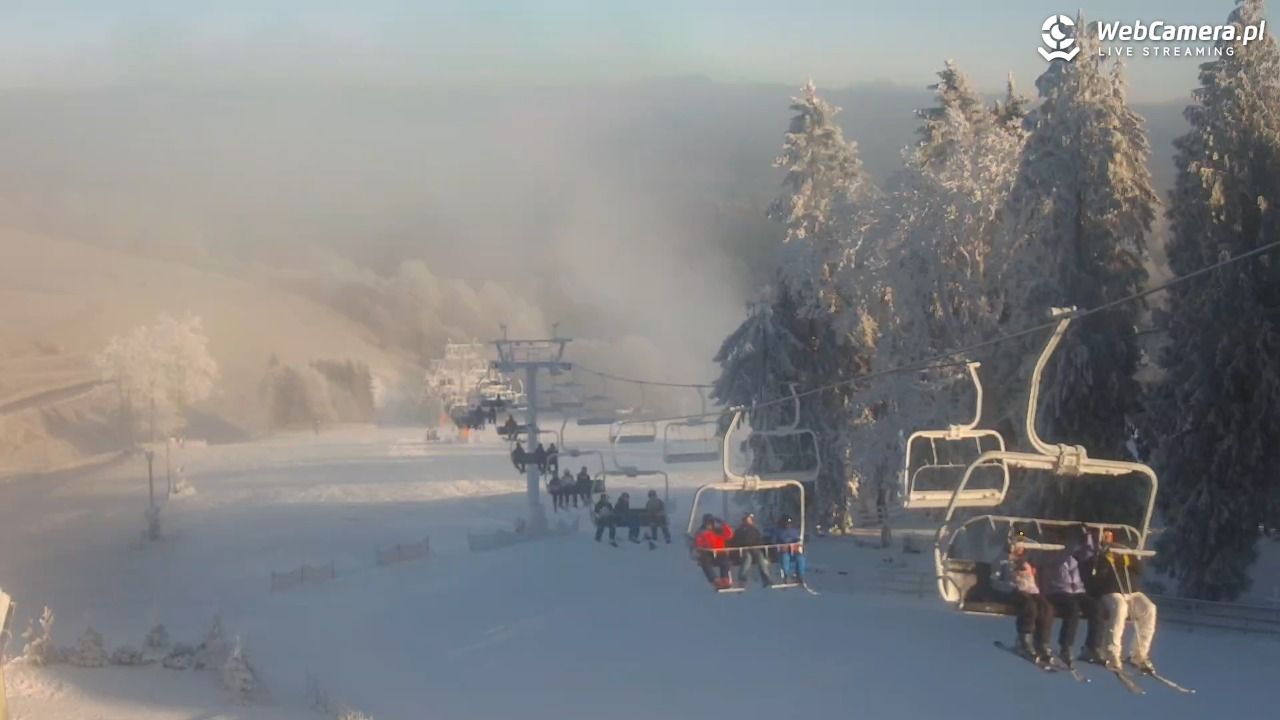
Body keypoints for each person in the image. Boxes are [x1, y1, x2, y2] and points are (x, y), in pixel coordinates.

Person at [1088, 530, 1158, 673]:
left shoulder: (1123, 550)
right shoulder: (1097, 554)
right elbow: (1096, 577)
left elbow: (1139, 570)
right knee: (1120, 608)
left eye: (1109, 535)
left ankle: (1139, 654)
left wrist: (1128, 557)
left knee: (1149, 608)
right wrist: (1104, 557)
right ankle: (1112, 652)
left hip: (1131, 590)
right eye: (1104, 536)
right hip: (1111, 591)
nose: (1108, 538)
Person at [1039, 524, 1103, 668]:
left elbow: (1088, 554)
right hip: (1056, 591)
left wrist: (1088, 537)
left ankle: (1092, 647)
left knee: (1096, 608)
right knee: (1073, 609)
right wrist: (1073, 543)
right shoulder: (1049, 552)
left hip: (1076, 591)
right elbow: (1063, 556)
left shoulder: (1072, 555)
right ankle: (1065, 646)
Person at [991, 540, 1054, 665]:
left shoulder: (1026, 561)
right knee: (1029, 606)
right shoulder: (1002, 560)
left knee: (1047, 608)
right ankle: (1024, 640)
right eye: (1017, 546)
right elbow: (994, 581)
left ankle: (1042, 643)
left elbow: (1030, 578)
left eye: (1022, 546)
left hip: (1030, 591)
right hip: (1013, 591)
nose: (1020, 549)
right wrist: (1010, 586)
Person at [730, 512, 773, 588]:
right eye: (747, 520)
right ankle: (742, 577)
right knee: (747, 558)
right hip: (744, 550)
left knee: (760, 557)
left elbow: (759, 540)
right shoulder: (739, 531)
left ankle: (766, 577)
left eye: (750, 520)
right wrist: (744, 546)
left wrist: (757, 545)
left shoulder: (755, 530)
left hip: (754, 549)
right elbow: (736, 542)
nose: (749, 522)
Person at [694, 514, 734, 589]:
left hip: (719, 552)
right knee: (704, 561)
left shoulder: (718, 531)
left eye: (710, 523)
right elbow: (698, 543)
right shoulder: (701, 532)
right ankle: (715, 580)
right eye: (707, 523)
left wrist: (723, 524)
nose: (709, 525)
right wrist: (704, 546)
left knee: (725, 561)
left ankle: (724, 579)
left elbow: (729, 535)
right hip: (708, 553)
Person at [774, 515, 806, 586]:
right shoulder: (778, 531)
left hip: (793, 551)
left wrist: (798, 543)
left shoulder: (794, 531)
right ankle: (786, 576)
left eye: (789, 523)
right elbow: (775, 541)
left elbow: (797, 539)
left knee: (800, 558)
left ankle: (800, 576)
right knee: (785, 557)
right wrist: (781, 545)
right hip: (783, 552)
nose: (788, 525)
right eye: (786, 523)